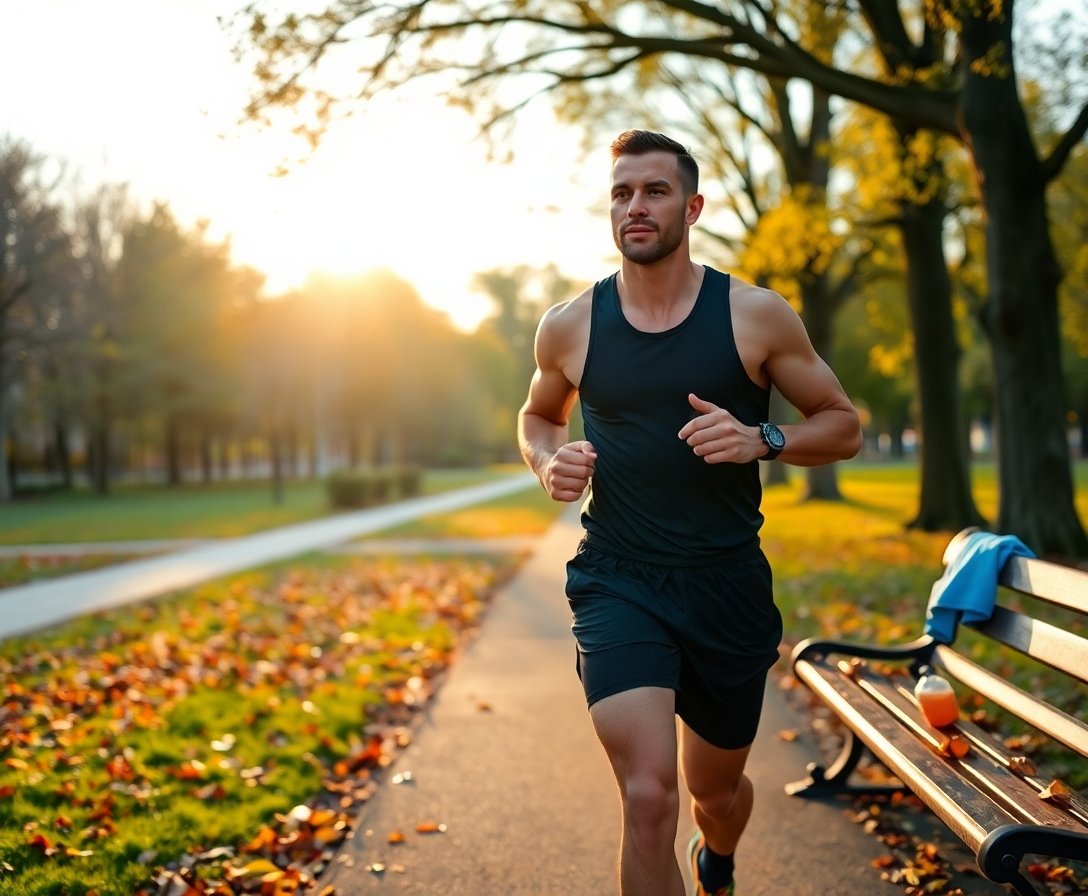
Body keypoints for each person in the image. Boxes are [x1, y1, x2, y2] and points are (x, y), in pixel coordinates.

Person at [517, 129, 862, 896]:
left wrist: (762, 437)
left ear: (693, 206)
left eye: (654, 191)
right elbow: (538, 415)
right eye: (620, 193)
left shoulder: (755, 315)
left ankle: (721, 860)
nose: (634, 207)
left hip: (725, 585)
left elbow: (843, 424)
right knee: (648, 796)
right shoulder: (570, 325)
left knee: (714, 796)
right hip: (618, 580)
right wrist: (548, 459)